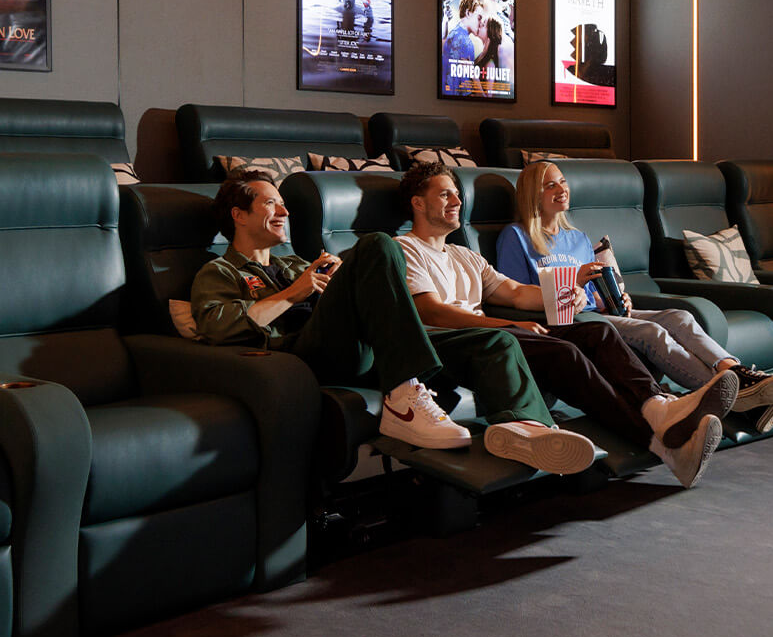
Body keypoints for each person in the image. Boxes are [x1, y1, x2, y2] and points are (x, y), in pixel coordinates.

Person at [193, 169, 600, 475]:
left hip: (360, 342)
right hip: (302, 354)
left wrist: (339, 283)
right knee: (377, 244)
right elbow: (217, 327)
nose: (284, 211)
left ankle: (526, 430)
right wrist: (294, 293)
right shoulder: (218, 272)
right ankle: (404, 397)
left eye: (283, 202)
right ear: (238, 215)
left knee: (496, 341)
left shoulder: (297, 263)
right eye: (270, 204)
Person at [394, 161, 737, 487]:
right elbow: (431, 312)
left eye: (456, 193)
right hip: (462, 343)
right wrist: (508, 327)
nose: (457, 200)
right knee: (567, 353)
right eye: (445, 195)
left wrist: (563, 293)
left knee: (598, 330)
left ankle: (658, 407)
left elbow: (514, 292)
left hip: (494, 335)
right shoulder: (405, 249)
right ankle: (665, 446)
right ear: (417, 204)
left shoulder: (464, 256)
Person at [496, 161, 773, 433]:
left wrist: (616, 300)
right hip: (572, 324)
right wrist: (573, 283)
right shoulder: (515, 237)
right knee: (653, 332)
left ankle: (736, 373)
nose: (561, 189)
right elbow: (518, 295)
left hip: (599, 314)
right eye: (550, 185)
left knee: (680, 316)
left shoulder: (576, 237)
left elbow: (591, 294)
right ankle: (738, 397)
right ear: (532, 195)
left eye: (563, 182)